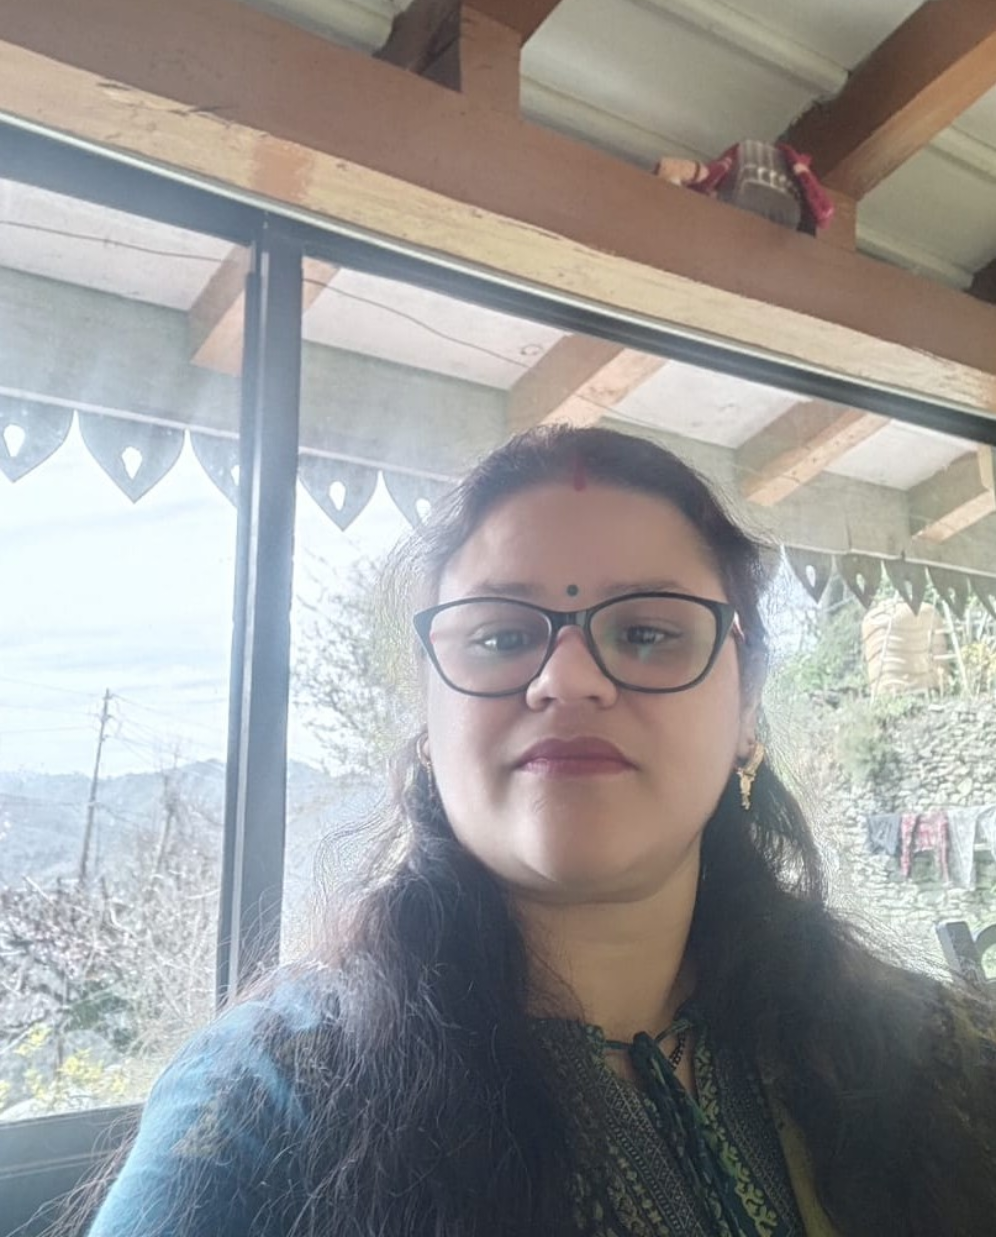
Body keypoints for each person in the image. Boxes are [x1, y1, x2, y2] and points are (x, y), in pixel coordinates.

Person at [81, 426, 995, 1237]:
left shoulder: (942, 1060)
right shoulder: (269, 1102)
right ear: (430, 719)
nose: (567, 679)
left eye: (647, 633)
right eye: (500, 636)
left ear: (747, 708)